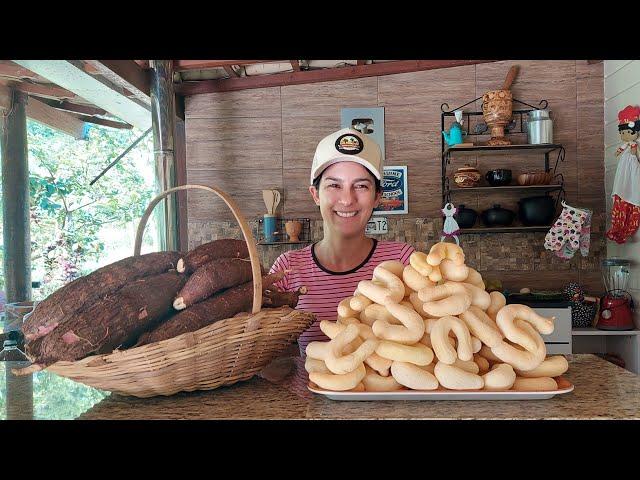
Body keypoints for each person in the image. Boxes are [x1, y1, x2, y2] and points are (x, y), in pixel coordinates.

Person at [269, 127, 415, 355]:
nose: (347, 200)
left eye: (361, 186)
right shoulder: (287, 269)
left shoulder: (403, 261)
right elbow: (263, 350)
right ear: (315, 194)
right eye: (334, 185)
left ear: (377, 196)